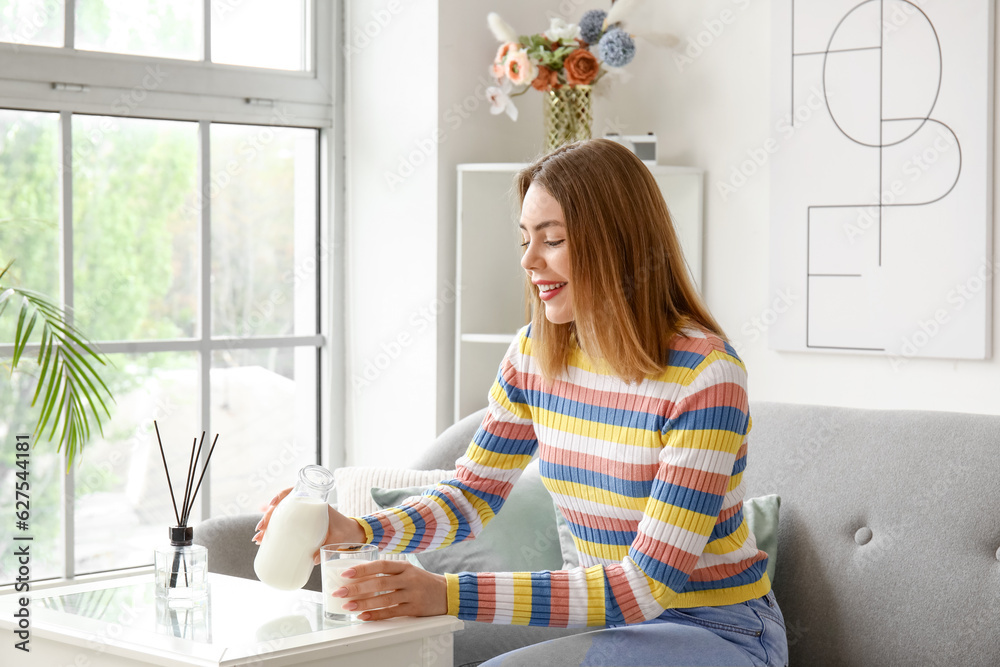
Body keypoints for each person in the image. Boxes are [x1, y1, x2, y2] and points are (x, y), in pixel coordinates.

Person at [255, 138, 789, 666]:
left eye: (552, 240)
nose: (530, 261)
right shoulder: (535, 352)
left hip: (719, 631)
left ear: (617, 244)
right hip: (613, 626)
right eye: (525, 240)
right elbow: (472, 496)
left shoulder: (705, 375)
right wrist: (359, 530)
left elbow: (645, 585)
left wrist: (444, 592)